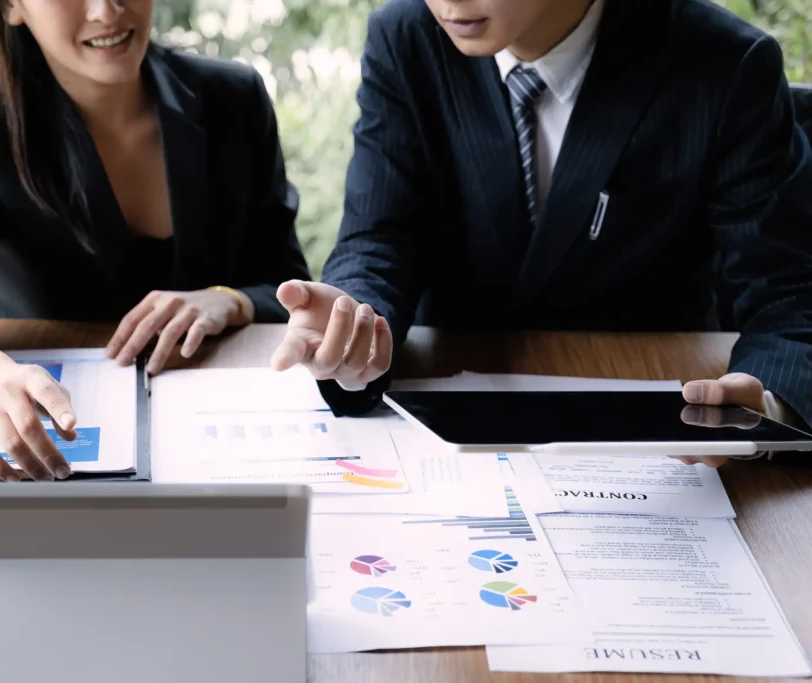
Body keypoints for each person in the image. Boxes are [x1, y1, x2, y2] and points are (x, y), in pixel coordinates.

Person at [270, 0, 812, 467]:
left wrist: (764, 406)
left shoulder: (721, 62)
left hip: (660, 431)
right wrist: (354, 319)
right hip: (447, 419)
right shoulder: (406, 36)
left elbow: (790, 293)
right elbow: (380, 236)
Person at [0, 0, 310, 482]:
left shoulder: (234, 97)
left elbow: (288, 284)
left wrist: (228, 301)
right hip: (61, 441)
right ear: (11, 7)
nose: (108, 10)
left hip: (220, 439)